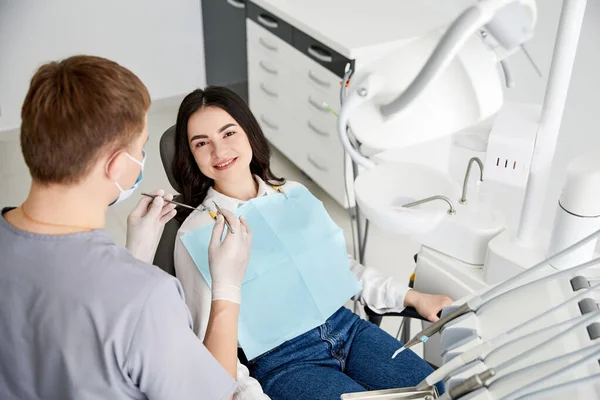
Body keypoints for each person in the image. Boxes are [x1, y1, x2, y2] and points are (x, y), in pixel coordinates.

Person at [172, 86, 454, 400]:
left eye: (228, 133)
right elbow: (208, 343)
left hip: (348, 328)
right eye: (202, 143)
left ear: (249, 132)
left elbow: (342, 267)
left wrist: (411, 296)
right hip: (283, 361)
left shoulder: (292, 193)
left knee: (438, 391)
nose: (219, 151)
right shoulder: (195, 233)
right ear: (191, 154)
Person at [0, 55, 252, 400]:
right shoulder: (148, 298)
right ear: (119, 165)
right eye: (142, 147)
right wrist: (226, 288)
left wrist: (132, 260)